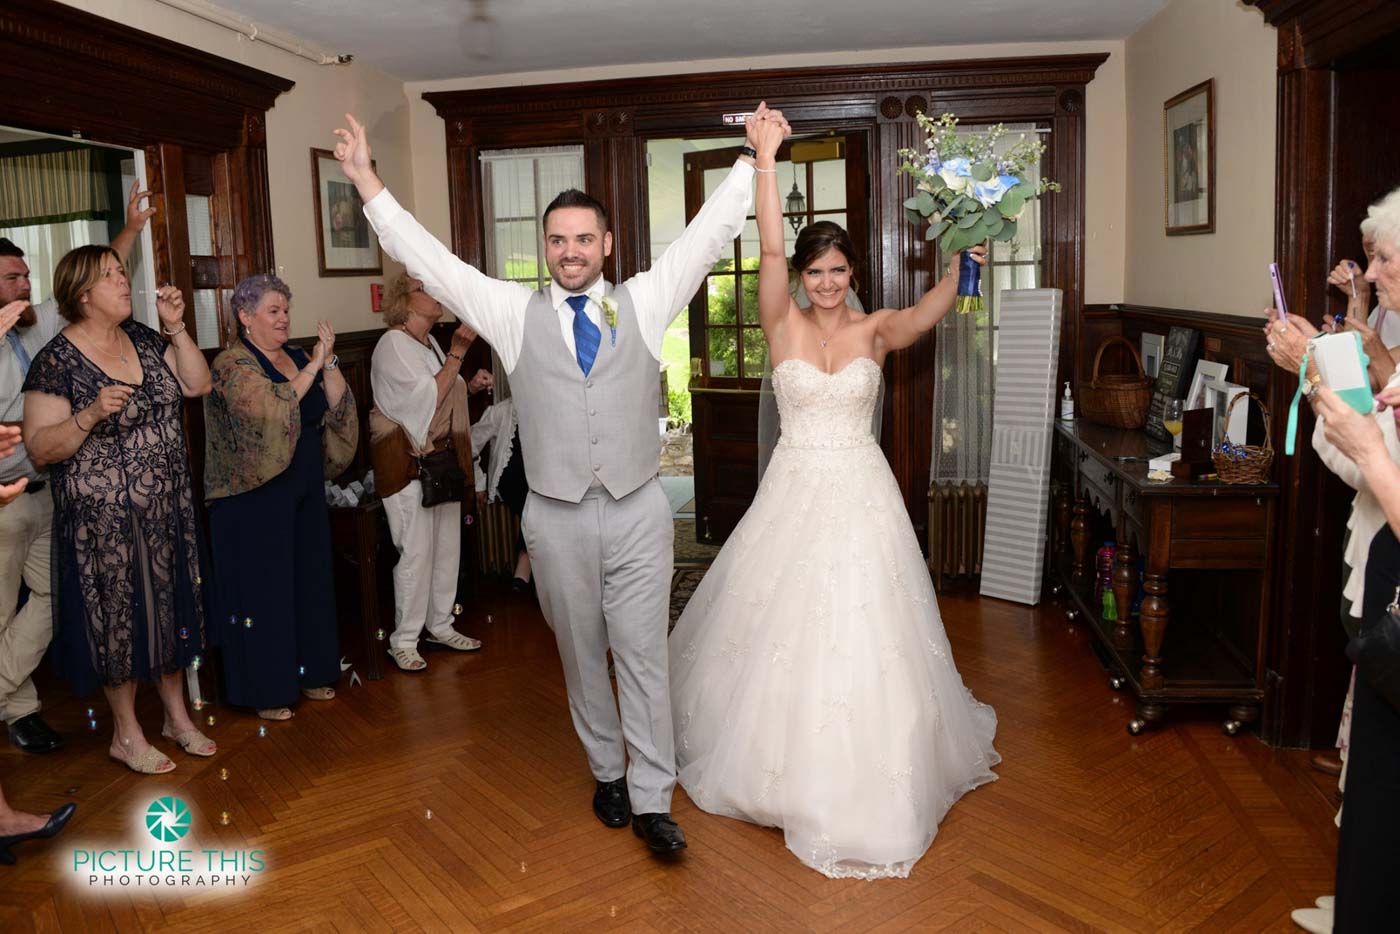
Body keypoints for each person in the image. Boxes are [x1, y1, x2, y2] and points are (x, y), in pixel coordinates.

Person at [333, 103, 776, 854]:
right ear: (546, 248)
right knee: (580, 653)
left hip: (638, 510)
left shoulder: (643, 300)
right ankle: (607, 769)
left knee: (642, 657)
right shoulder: (511, 311)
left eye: (583, 239)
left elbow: (706, 239)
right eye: (557, 241)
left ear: (606, 243)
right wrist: (366, 179)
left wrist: (753, 157)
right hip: (556, 517)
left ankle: (651, 797)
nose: (570, 252)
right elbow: (433, 261)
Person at [667, 117, 999, 880]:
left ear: (853, 275)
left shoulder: (878, 331)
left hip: (859, 491)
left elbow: (926, 315)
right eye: (815, 272)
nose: (823, 283)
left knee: (863, 624)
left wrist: (963, 268)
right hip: (792, 489)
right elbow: (773, 250)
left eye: (836, 272)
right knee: (774, 622)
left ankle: (871, 770)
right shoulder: (778, 321)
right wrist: (765, 161)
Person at [22, 246, 212, 775]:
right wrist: (87, 415)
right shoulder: (55, 362)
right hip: (101, 522)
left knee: (170, 611)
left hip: (167, 510)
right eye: (111, 276)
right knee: (118, 622)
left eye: (123, 271)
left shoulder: (149, 340)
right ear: (83, 294)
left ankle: (176, 717)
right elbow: (40, 448)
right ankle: (126, 734)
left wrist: (175, 328)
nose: (125, 281)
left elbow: (198, 385)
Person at [0, 183, 155, 756]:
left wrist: (132, 231)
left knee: (52, 599)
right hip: (3, 497)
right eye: (12, 278)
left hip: (48, 490)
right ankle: (20, 711)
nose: (25, 286)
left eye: (25, 275)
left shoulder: (40, 325)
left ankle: (3, 690)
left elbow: (89, 284)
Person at [1293, 185, 1400, 933]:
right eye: (1374, 256)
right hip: (1379, 557)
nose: (1374, 270)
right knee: (1371, 752)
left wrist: (1315, 376)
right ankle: (1361, 889)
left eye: (1385, 256)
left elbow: (1368, 463)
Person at [203, 274, 356, 721]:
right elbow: (274, 407)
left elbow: (337, 405)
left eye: (286, 310)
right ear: (245, 317)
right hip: (253, 495)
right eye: (274, 311)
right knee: (264, 592)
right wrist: (313, 366)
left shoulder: (296, 355)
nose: (284, 318)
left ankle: (311, 673)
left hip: (303, 481)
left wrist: (327, 362)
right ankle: (266, 690)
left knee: (309, 579)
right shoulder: (232, 364)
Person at [370, 273, 492, 672]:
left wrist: (468, 387)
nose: (434, 294)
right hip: (407, 466)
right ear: (405, 302)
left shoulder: (429, 343)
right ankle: (403, 639)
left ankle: (440, 623)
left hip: (439, 464)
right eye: (424, 290)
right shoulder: (392, 346)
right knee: (416, 552)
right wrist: (458, 353)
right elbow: (420, 402)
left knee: (445, 549)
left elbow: (441, 396)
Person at [470, 396, 532, 591]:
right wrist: (479, 481)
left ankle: (527, 567)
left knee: (543, 506)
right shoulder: (500, 411)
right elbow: (470, 442)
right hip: (512, 481)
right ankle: (526, 565)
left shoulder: (545, 408)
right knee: (537, 506)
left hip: (539, 481)